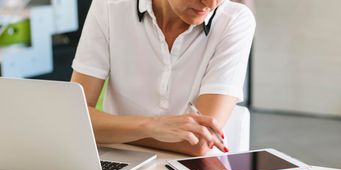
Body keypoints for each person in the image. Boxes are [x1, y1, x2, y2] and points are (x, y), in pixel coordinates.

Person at [71, 0, 255, 156]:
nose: (211, 4)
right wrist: (151, 126)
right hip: (119, 158)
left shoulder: (235, 20)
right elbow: (75, 118)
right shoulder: (109, 6)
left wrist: (110, 130)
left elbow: (199, 141)